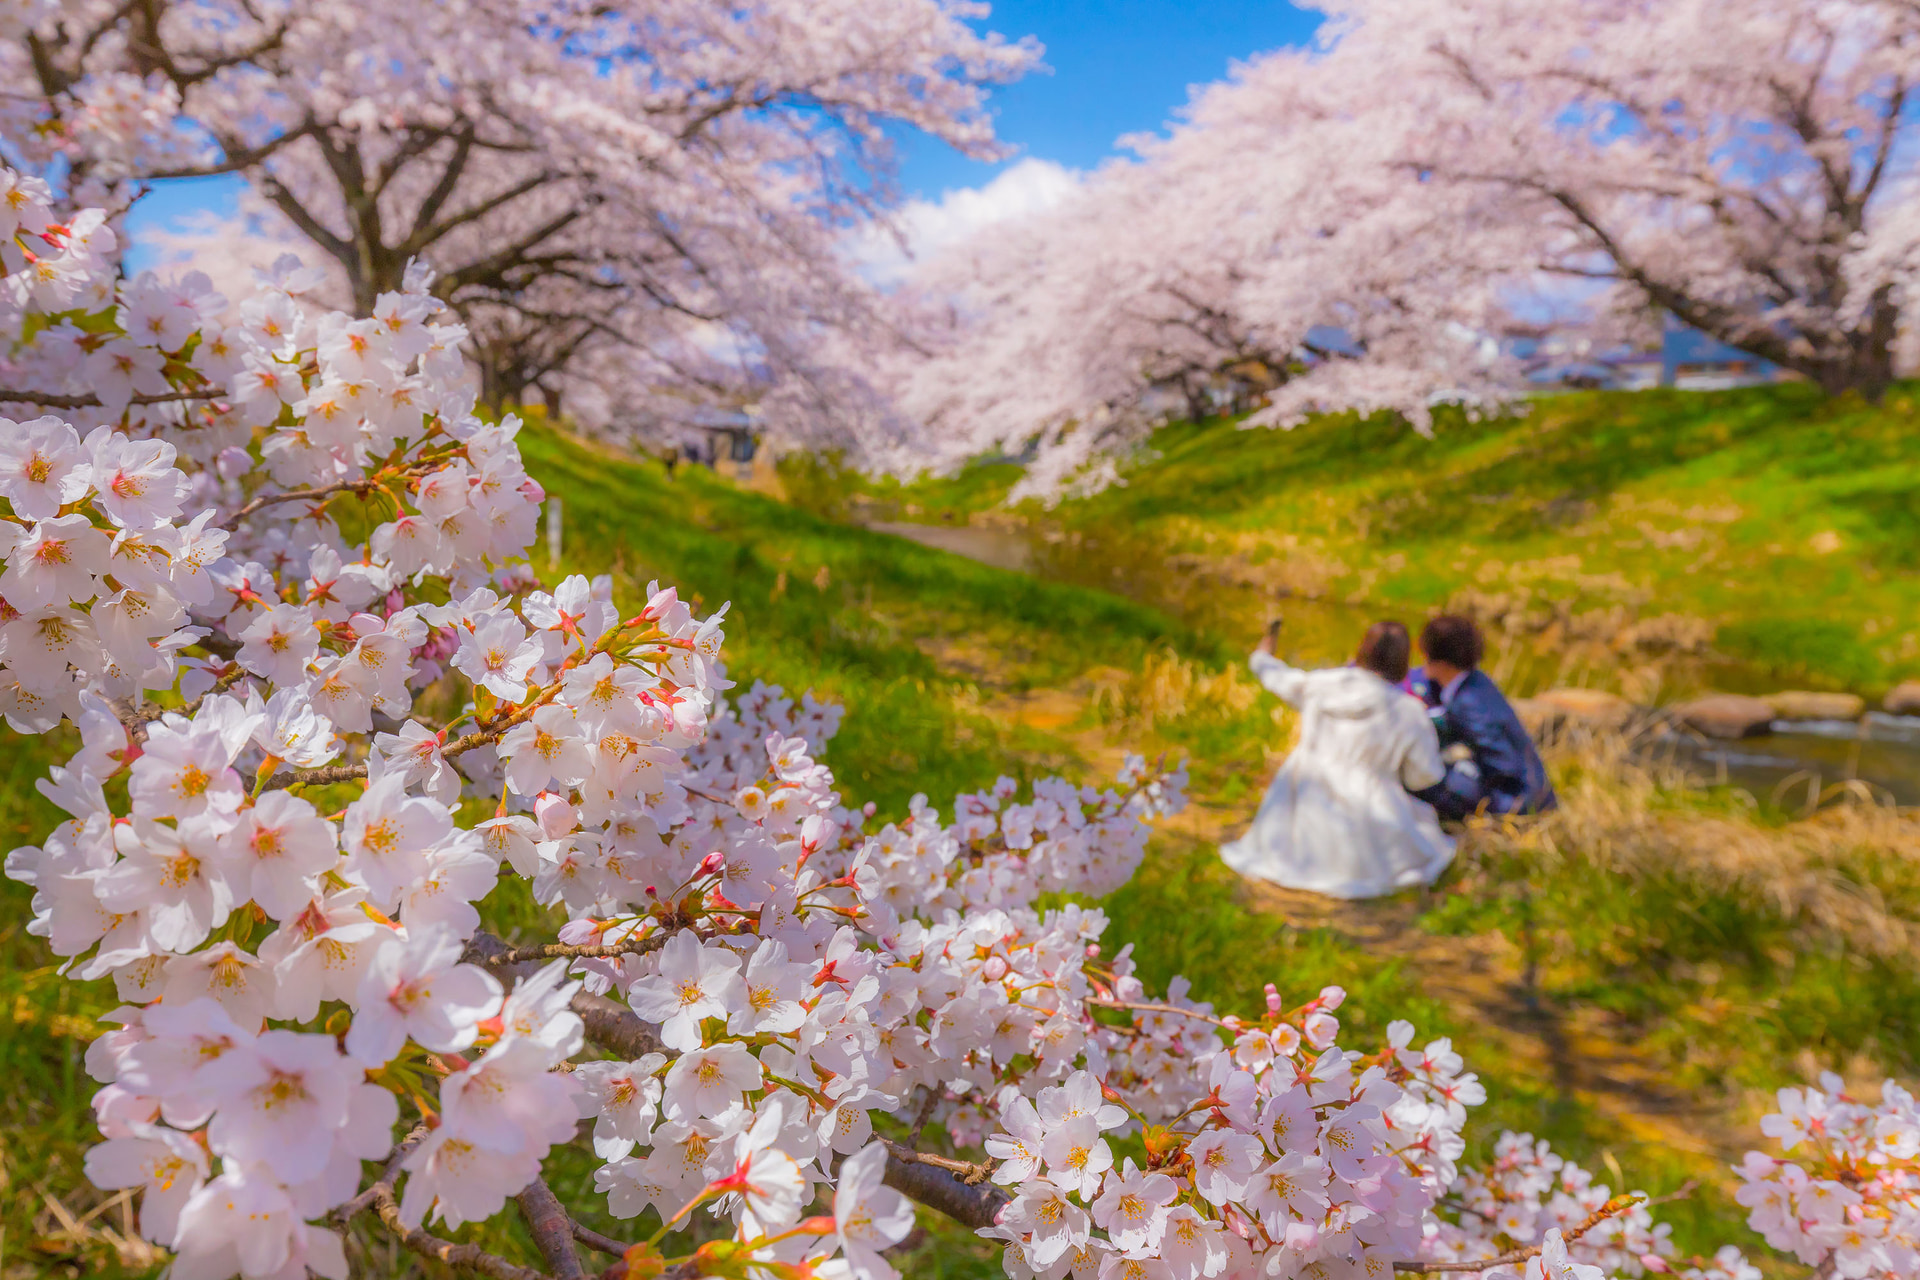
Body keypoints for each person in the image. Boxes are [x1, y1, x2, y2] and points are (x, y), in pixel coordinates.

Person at [1219, 618, 1455, 898]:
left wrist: (1261, 655)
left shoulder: (1322, 685)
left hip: (1303, 795)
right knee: (1427, 837)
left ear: (1362, 650)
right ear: (1403, 662)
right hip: (1370, 811)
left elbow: (1277, 677)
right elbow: (1424, 777)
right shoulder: (1408, 711)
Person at [1406, 615, 1556, 820]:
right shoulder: (1476, 681)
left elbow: (1503, 764)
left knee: (1422, 778)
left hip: (1517, 802)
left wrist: (1459, 765)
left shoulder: (1467, 703)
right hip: (1533, 793)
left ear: (1433, 656)